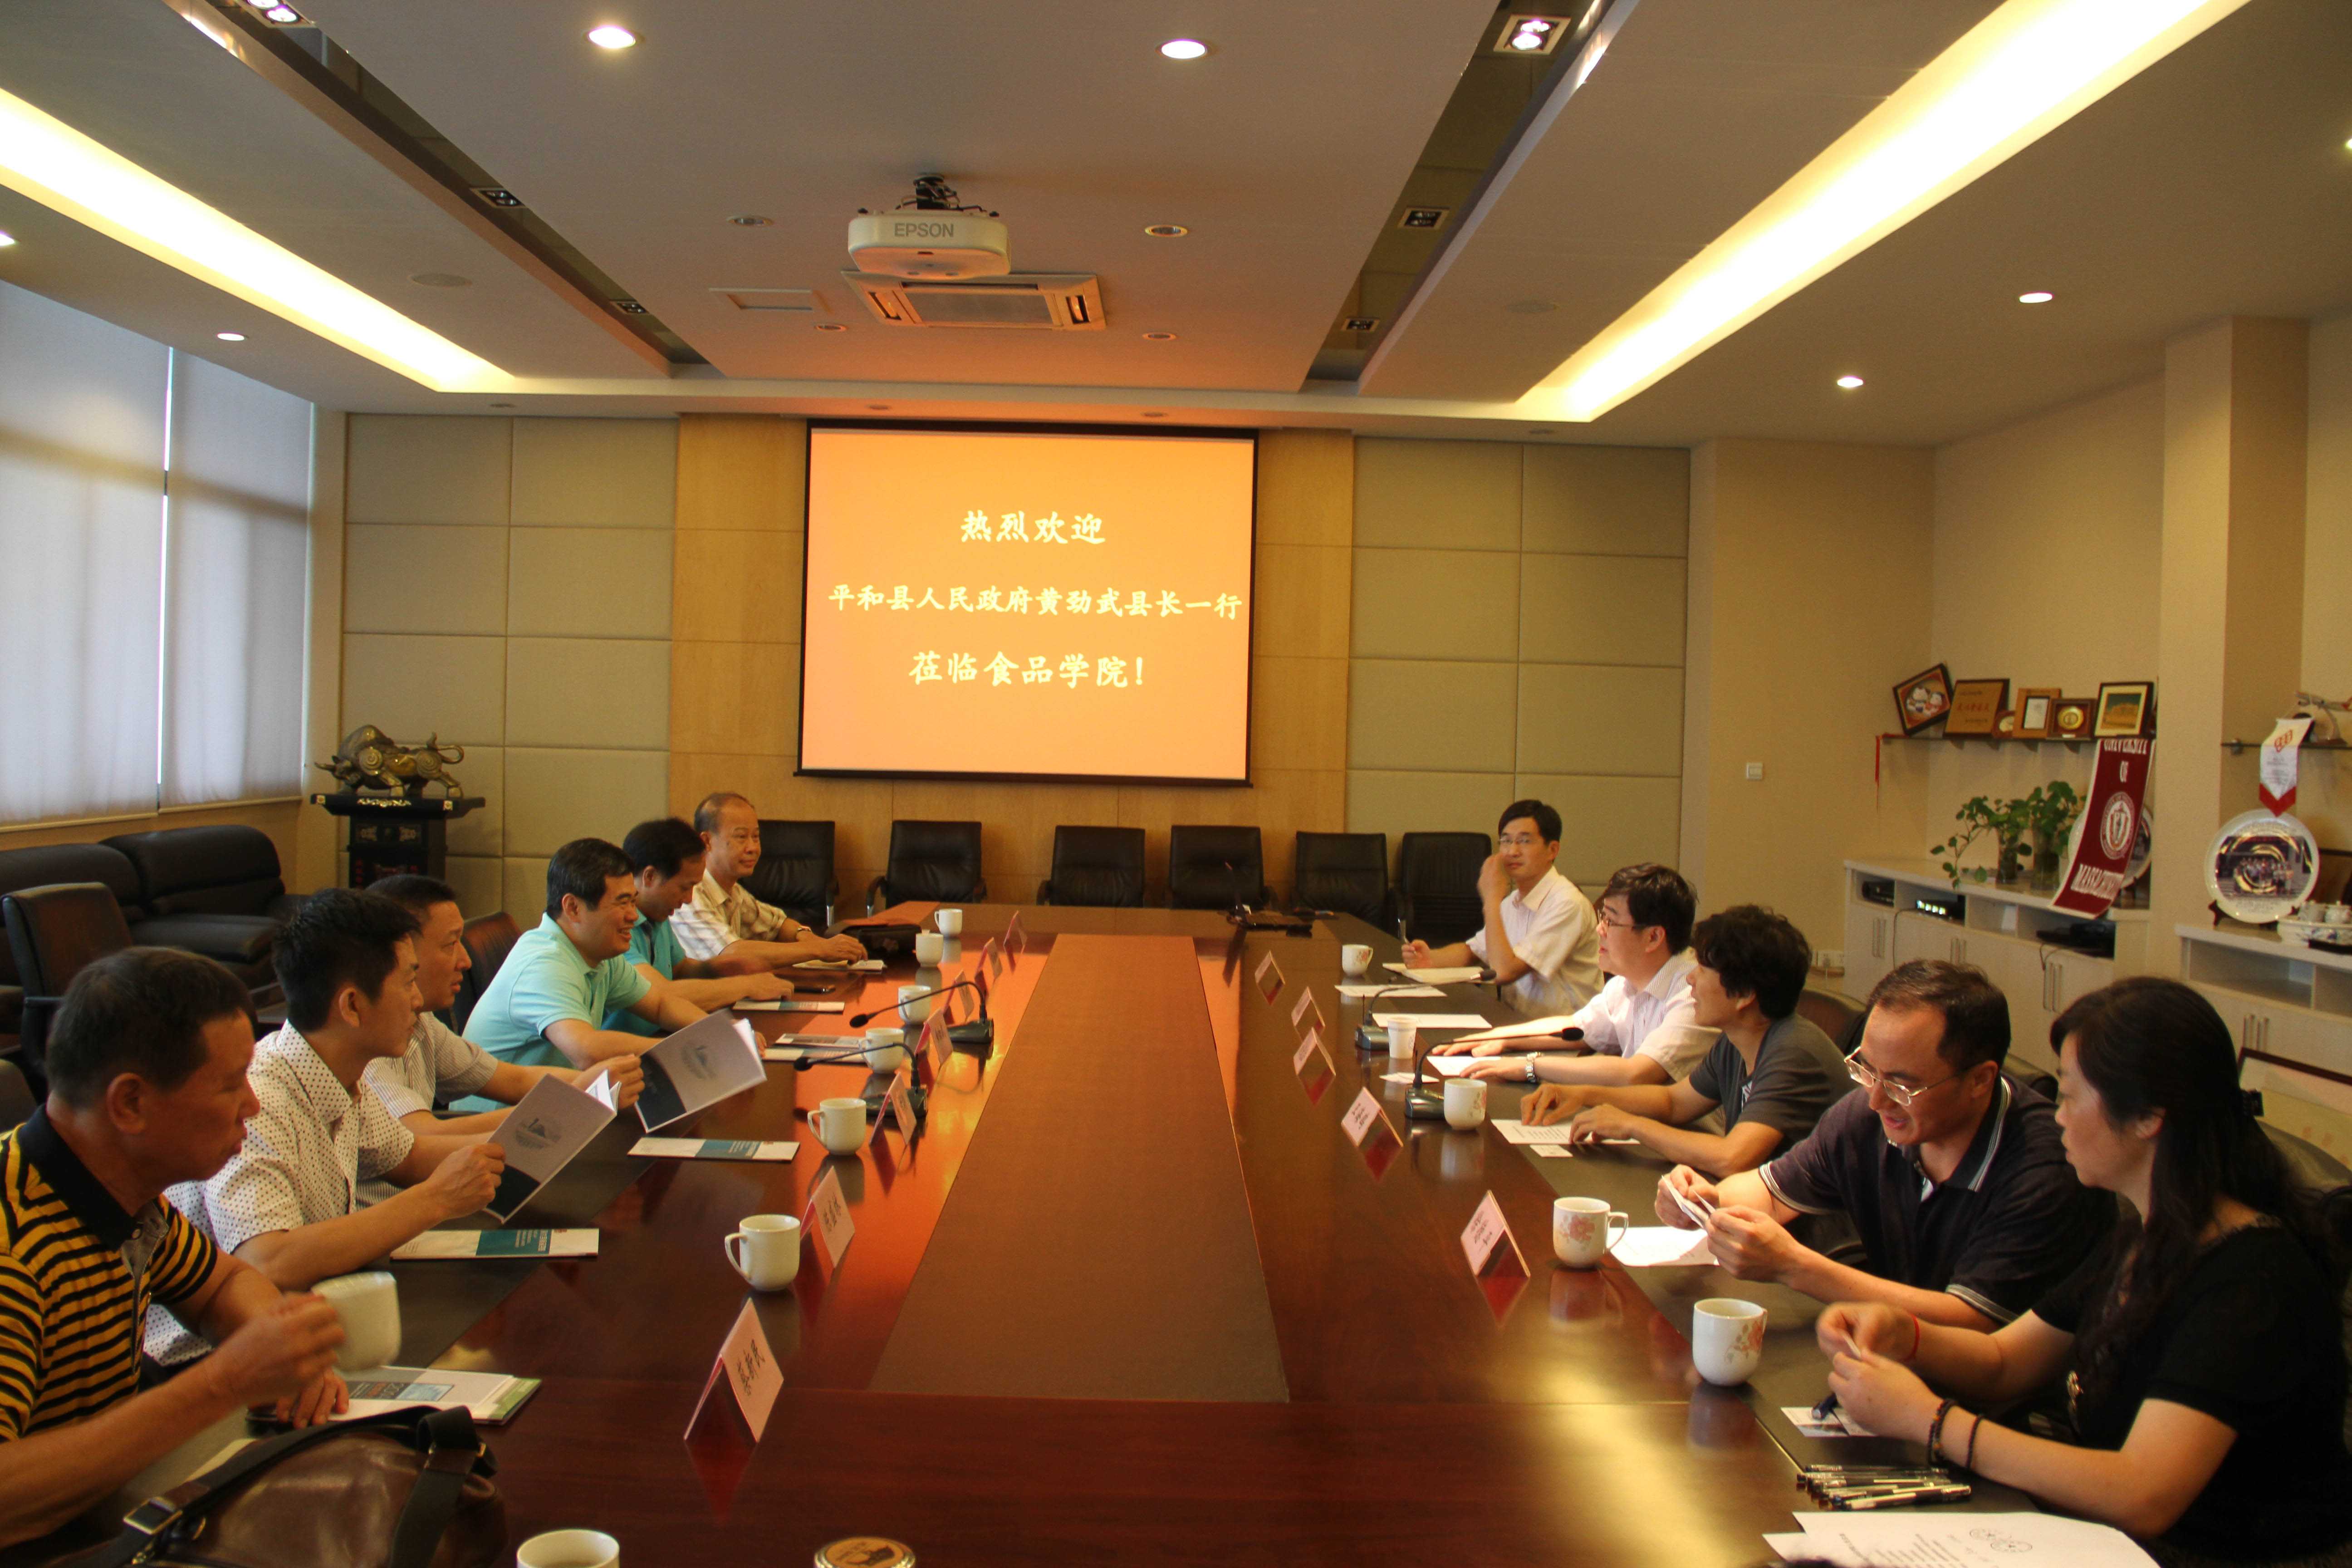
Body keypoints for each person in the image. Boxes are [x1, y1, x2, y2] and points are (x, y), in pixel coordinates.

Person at [1820, 978, 2352, 1565]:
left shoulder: (2250, 1282)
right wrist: (1906, 1335)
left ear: (2148, 1117)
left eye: (2072, 1097)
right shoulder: (2146, 1237)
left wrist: (1932, 1422)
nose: (2058, 1118)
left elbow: (2142, 1493)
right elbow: (2005, 1362)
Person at [0, 949, 351, 1546]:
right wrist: (224, 1382)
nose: (252, 1104)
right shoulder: (14, 1251)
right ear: (130, 1104)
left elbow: (222, 1283)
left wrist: (276, 1343)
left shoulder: (127, 1196)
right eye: (229, 1084)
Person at [1656, 959, 2113, 1328]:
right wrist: (1705, 1201)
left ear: (1980, 1080)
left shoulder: (2044, 1170)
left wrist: (1794, 1266)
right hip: (1891, 1352)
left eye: (1902, 1084)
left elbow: (1974, 1323)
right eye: (1867, 1069)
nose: (1876, 1099)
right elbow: (1771, 1193)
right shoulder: (1866, 1116)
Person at [152, 892, 507, 1363]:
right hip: (205, 1357)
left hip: (299, 1330)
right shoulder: (264, 1097)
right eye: (408, 983)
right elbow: (266, 1261)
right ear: (353, 1006)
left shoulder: (337, 1073)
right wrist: (436, 1199)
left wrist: (536, 1136)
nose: (419, 1001)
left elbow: (410, 1156)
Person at [1511, 905, 1850, 1176]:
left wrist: (1631, 1125)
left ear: (1745, 994)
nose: (1690, 979)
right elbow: (1674, 1102)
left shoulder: (1793, 1053)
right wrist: (1582, 1094)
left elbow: (1732, 1158)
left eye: (1703, 969)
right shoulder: (1738, 1039)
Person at [362, 874, 644, 1137]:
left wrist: (598, 1086)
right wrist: (576, 1098)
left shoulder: (424, 1023)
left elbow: (515, 1079)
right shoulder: (369, 1041)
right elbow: (421, 1138)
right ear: (402, 952)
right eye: (450, 944)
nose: (465, 961)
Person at [1445, 863, 1711, 1086]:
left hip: (1688, 1132)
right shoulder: (1626, 984)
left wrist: (1530, 1066)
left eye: (1611, 921)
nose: (1599, 930)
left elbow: (1638, 1073)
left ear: (1653, 937)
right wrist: (1499, 1038)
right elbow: (1577, 1029)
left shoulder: (1693, 994)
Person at [465, 838, 705, 1076]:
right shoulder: (544, 963)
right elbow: (586, 1050)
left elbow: (661, 1005)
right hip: (512, 1102)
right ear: (573, 908)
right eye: (623, 903)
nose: (633, 915)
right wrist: (681, 1050)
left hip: (559, 1092)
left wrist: (718, 1034)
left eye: (634, 901)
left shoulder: (601, 953)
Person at [1399, 799, 1601, 1015]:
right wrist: (1431, 959)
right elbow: (1473, 951)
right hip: (1517, 1021)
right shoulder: (1512, 902)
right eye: (1506, 841)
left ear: (1552, 850)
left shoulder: (1567, 904)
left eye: (1524, 841)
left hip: (1567, 1030)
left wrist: (1491, 901)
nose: (1512, 851)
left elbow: (1505, 972)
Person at [614, 818, 799, 1035]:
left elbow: (679, 969)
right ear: (650, 877)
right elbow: (660, 995)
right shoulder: (617, 928)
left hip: (665, 1036)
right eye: (684, 887)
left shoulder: (658, 914)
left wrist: (716, 967)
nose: (688, 899)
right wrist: (748, 986)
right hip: (631, 1048)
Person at [667, 793, 866, 970]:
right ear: (707, 842)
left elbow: (777, 924)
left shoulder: (733, 890)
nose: (753, 848)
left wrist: (809, 938)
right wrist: (819, 949)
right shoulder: (690, 894)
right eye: (741, 837)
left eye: (756, 837)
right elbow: (731, 954)